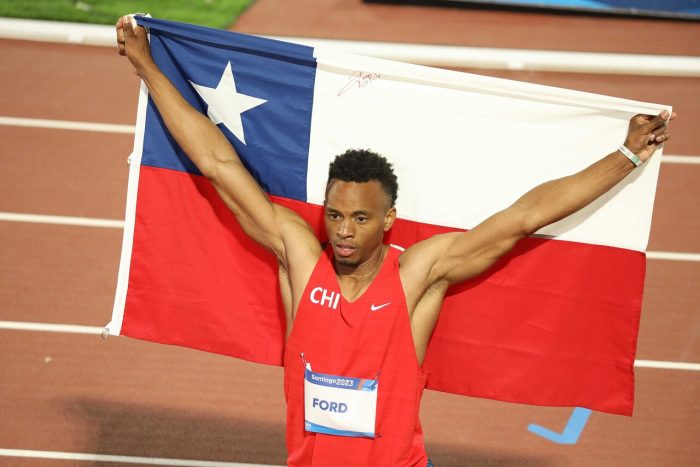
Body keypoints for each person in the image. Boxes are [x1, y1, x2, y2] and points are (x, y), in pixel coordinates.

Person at [116, 15, 674, 467]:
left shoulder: (415, 276)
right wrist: (146, 66)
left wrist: (625, 157)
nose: (342, 230)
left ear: (389, 220)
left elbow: (522, 218)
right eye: (334, 215)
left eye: (360, 218)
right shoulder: (299, 259)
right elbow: (216, 162)